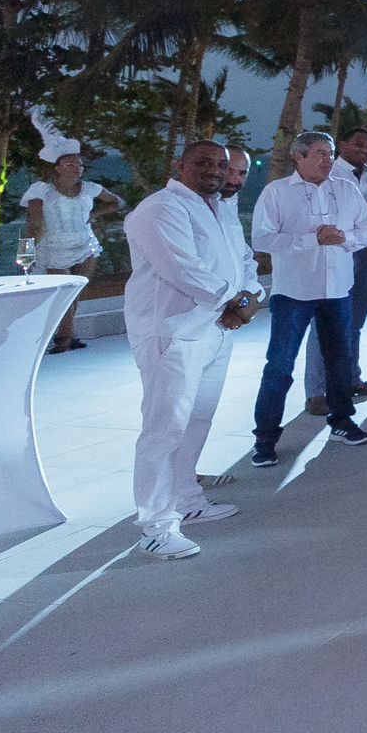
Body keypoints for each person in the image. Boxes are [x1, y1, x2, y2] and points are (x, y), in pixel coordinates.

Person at [124, 140, 261, 560]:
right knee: (164, 429)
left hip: (215, 329)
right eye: (203, 162)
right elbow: (181, 267)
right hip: (172, 332)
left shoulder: (219, 209)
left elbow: (244, 260)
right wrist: (233, 301)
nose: (215, 170)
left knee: (197, 420)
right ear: (179, 164)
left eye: (222, 164)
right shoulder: (160, 208)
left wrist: (249, 297)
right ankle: (156, 527)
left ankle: (187, 499)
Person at [248, 131, 367, 464]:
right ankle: (265, 438)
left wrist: (343, 238)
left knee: (340, 361)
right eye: (320, 153)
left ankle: (342, 422)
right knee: (280, 366)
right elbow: (261, 238)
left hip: (338, 290)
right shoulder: (277, 192)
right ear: (299, 157)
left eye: (330, 153)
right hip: (294, 292)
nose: (328, 159)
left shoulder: (346, 189)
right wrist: (310, 240)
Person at [302, 127, 367, 406]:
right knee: (325, 324)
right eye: (359, 144)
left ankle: (351, 379)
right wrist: (366, 210)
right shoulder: (327, 174)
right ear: (342, 145)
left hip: (366, 254)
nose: (365, 150)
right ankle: (316, 392)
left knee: (354, 322)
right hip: (334, 255)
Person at [23, 113, 124, 353]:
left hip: (85, 245)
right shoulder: (41, 191)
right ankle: (64, 336)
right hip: (54, 248)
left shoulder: (90, 188)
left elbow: (118, 202)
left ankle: (66, 336)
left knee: (75, 292)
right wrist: (26, 251)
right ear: (57, 168)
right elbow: (33, 223)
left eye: (79, 165)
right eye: (71, 165)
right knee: (63, 293)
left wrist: (96, 215)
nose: (77, 169)